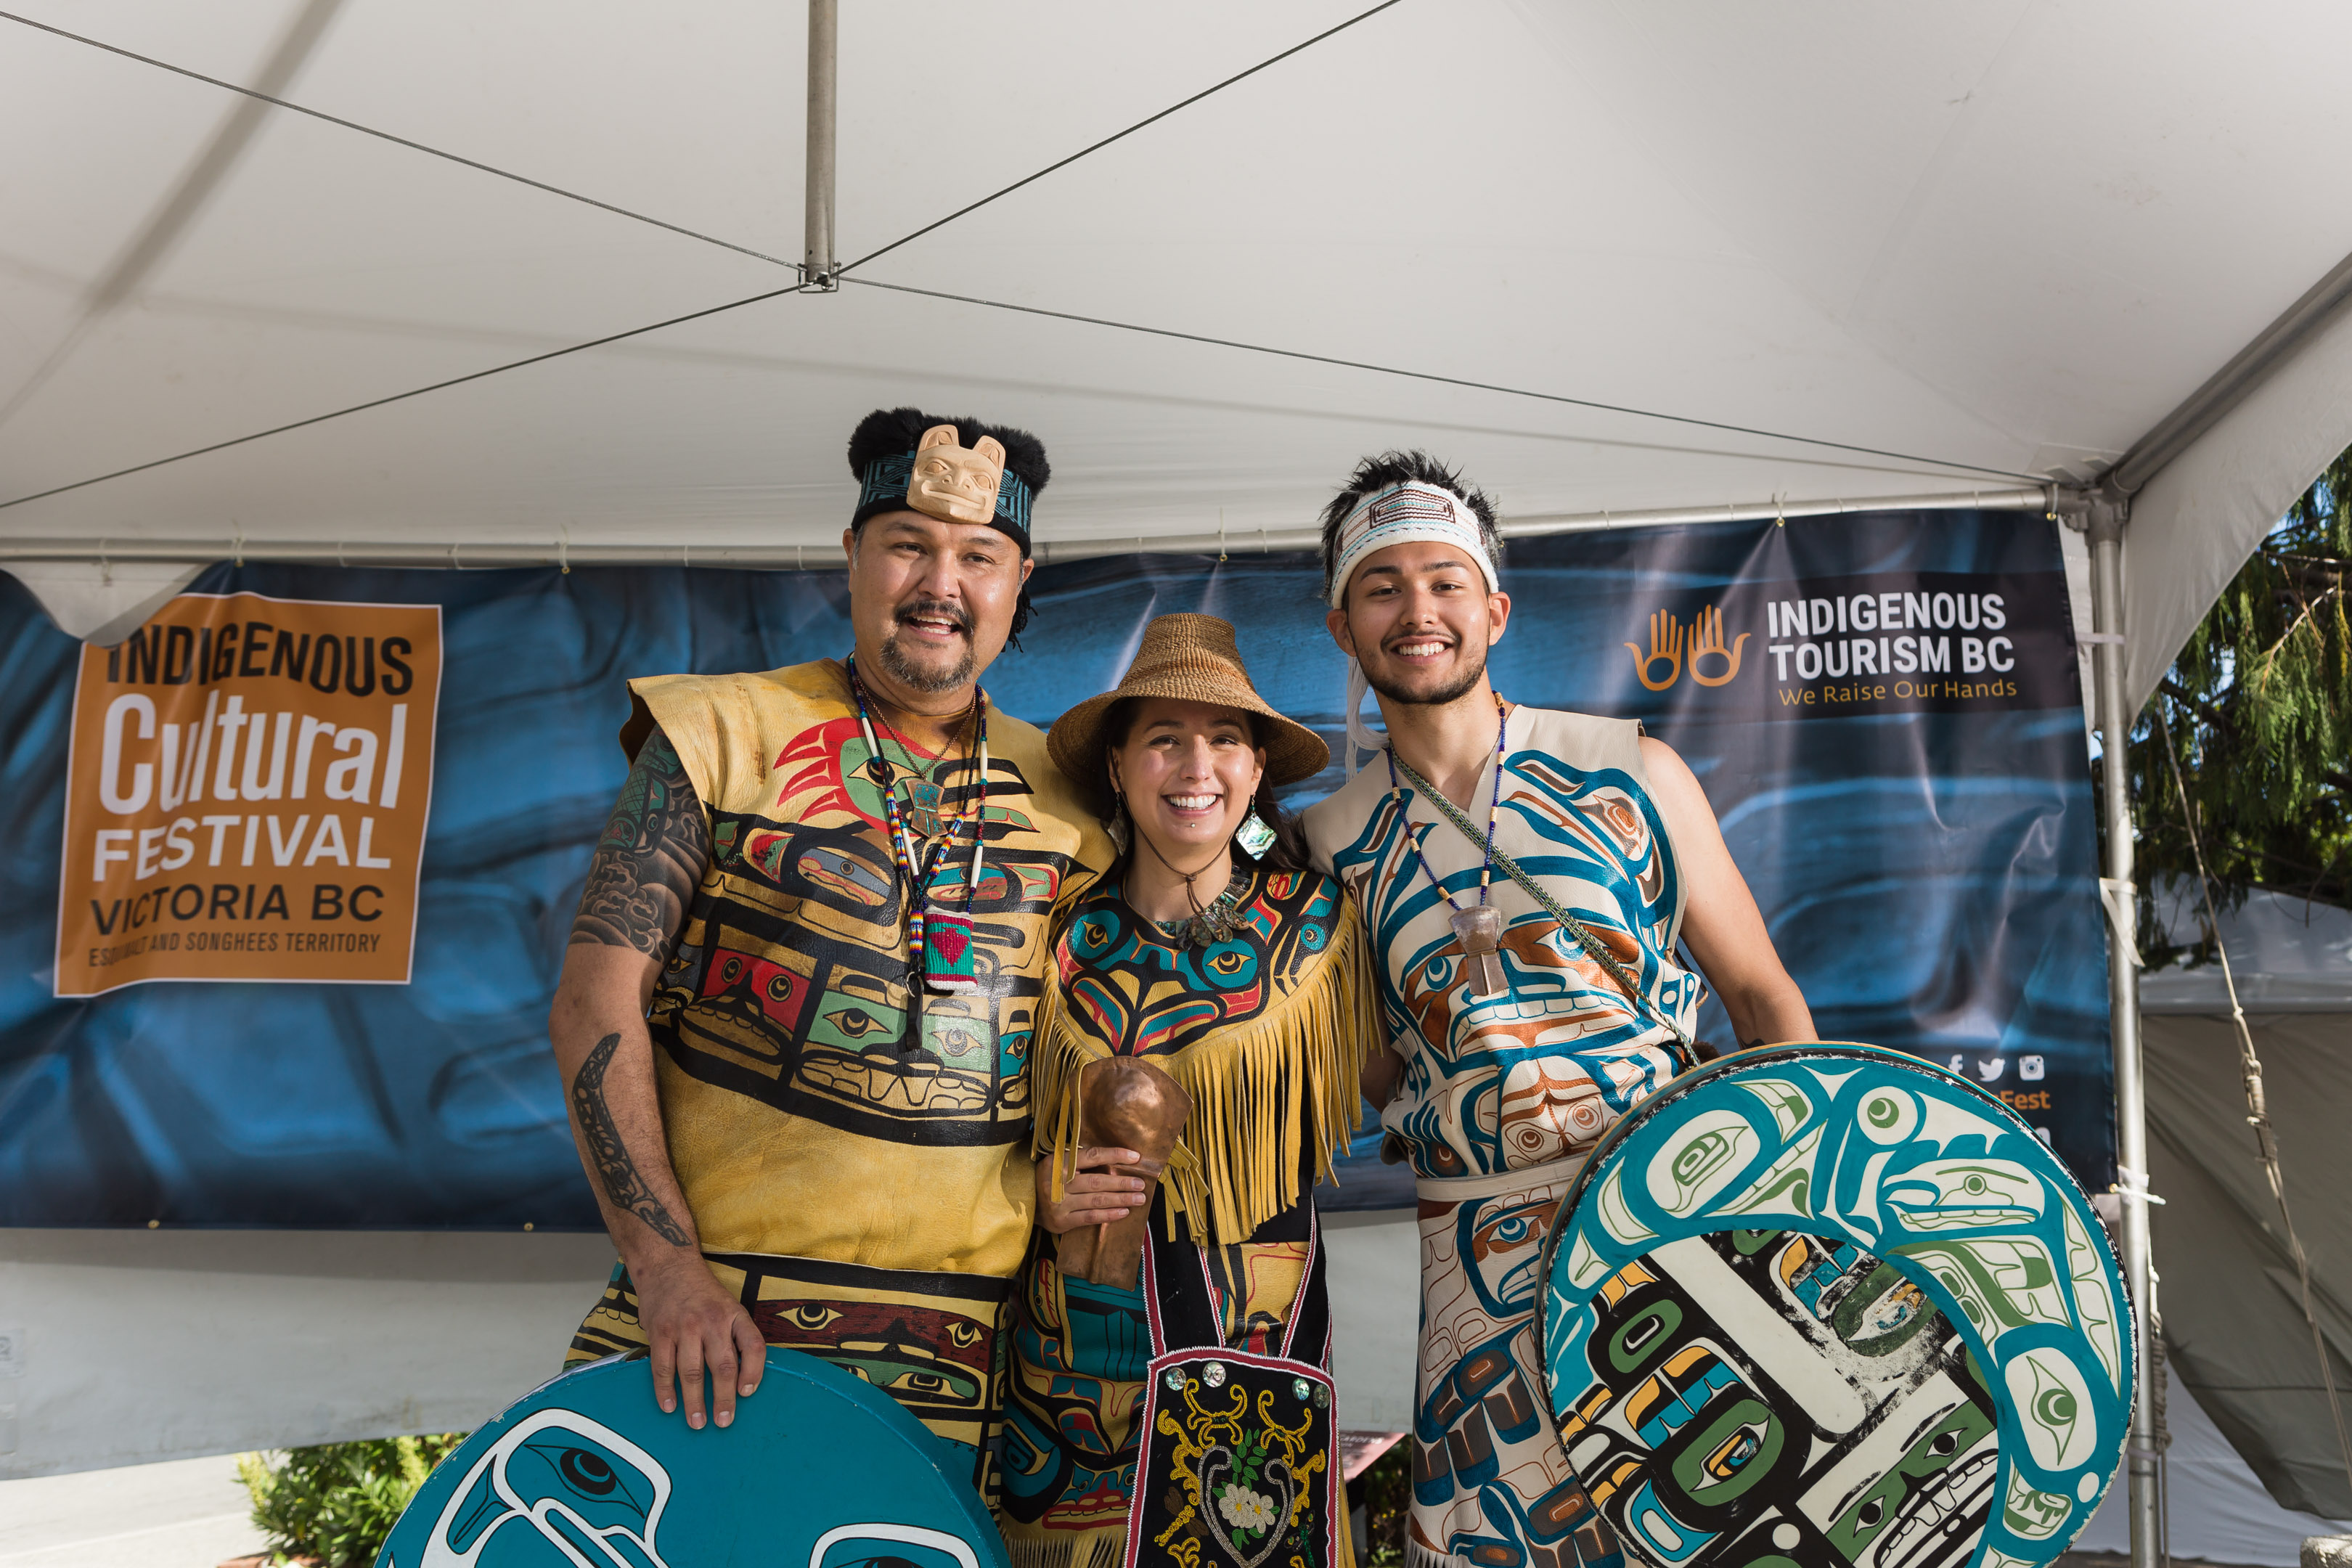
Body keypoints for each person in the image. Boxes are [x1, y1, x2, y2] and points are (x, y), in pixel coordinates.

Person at [547, 407, 1113, 1506]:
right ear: (852, 554)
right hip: (711, 1332)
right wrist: (666, 1272)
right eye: (908, 543)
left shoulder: (1077, 803)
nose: (940, 581)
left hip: (957, 1361)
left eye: (979, 557)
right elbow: (593, 1002)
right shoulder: (717, 732)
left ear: (1019, 580)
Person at [1300, 453, 1817, 1568]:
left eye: (1445, 581)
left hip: (1679, 1227)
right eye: (1382, 587)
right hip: (1475, 1270)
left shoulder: (1630, 768)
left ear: (1494, 608)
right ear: (1342, 625)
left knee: (1716, 1528)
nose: (1417, 611)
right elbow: (1370, 1072)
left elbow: (1761, 996)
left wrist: (1800, 1213)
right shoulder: (1327, 841)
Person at [996, 613, 1376, 1568]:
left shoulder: (1325, 923)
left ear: (1254, 773)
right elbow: (974, 1121)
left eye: (1222, 741)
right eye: (1164, 738)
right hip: (1072, 1336)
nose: (1194, 765)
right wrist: (1035, 1185)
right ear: (1119, 766)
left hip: (1248, 1328)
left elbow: (1407, 1082)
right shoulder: (1051, 929)